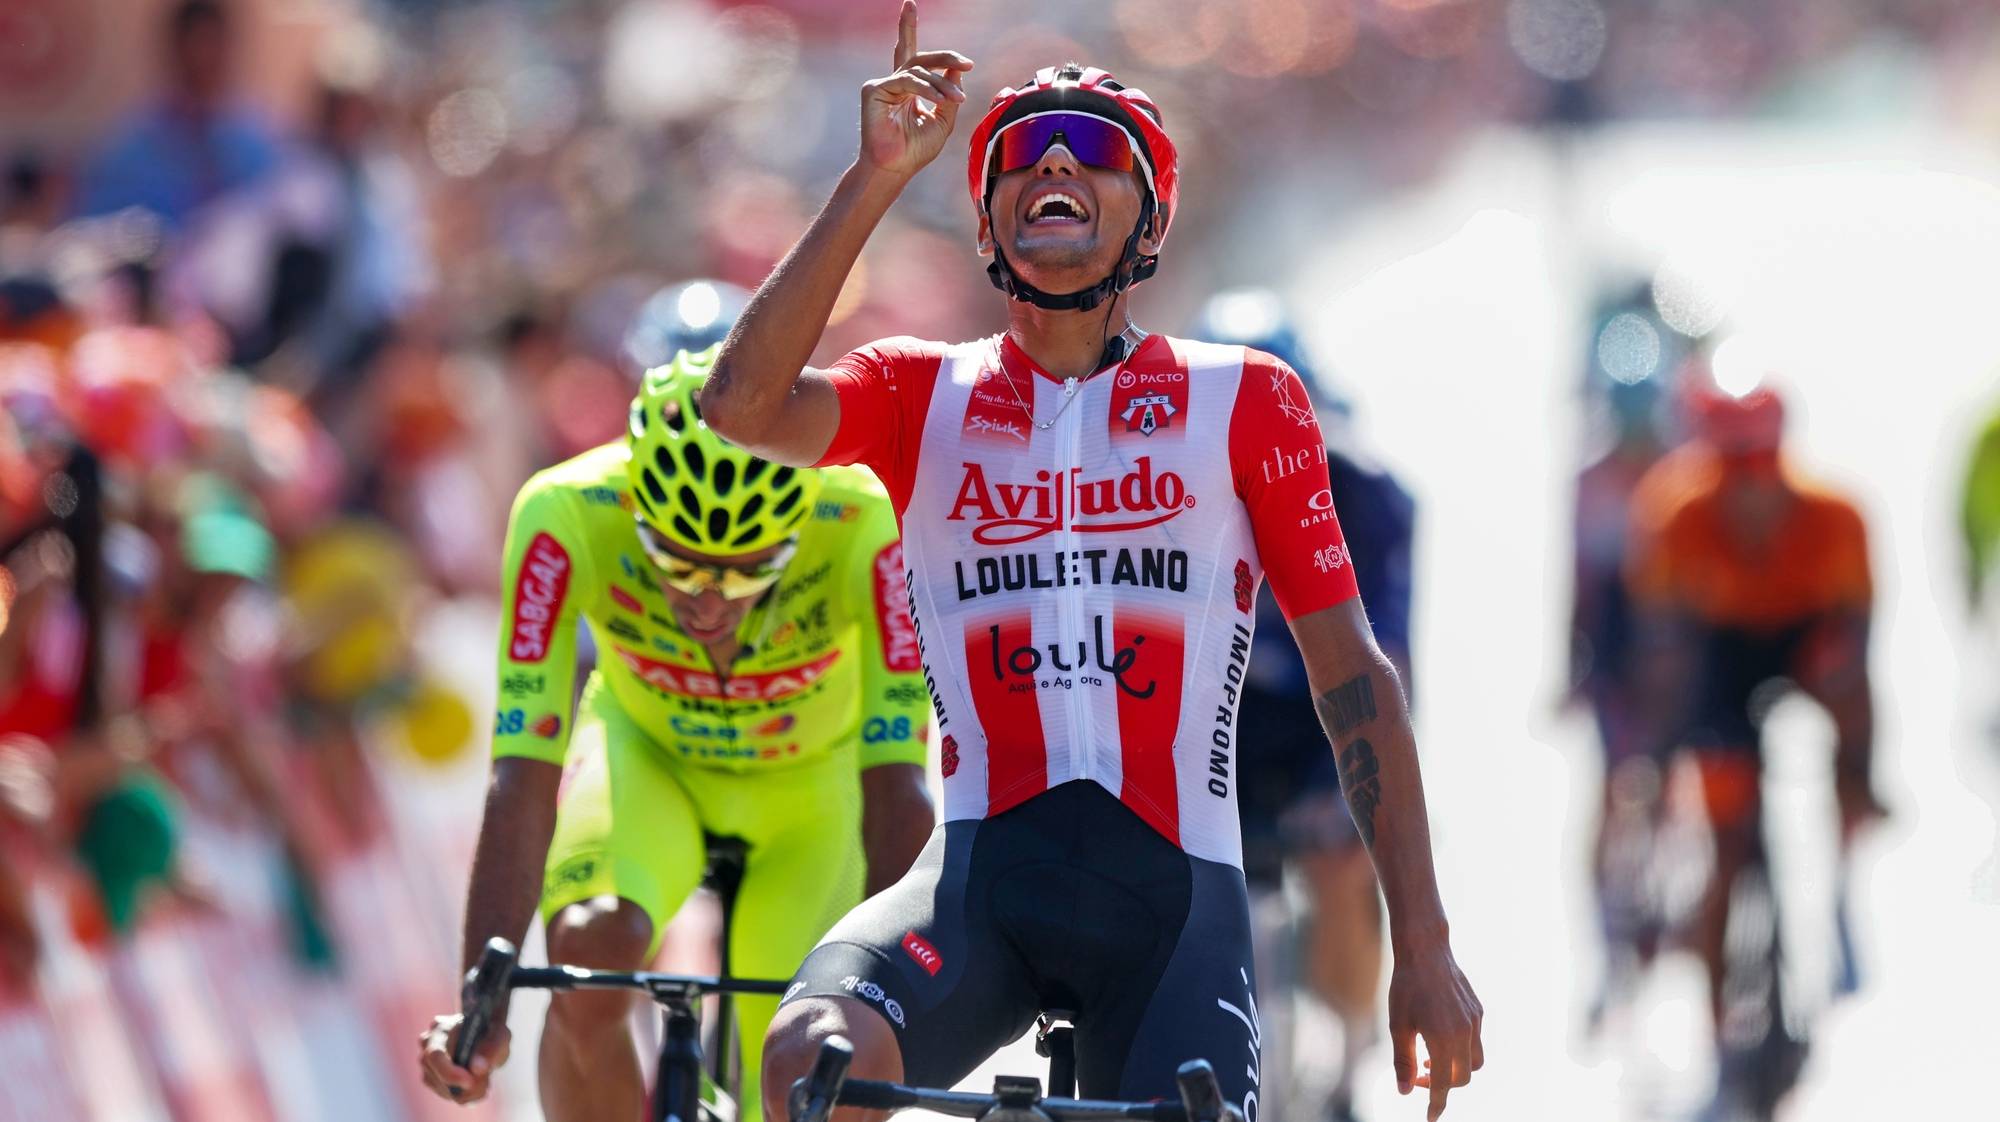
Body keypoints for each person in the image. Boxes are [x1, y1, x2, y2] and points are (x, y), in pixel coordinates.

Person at [694, 7, 1484, 1119]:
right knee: (809, 1059)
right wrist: (874, 177)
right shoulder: (917, 392)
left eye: (1095, 149)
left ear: (1147, 219)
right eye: (1018, 152)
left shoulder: (1244, 400)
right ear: (987, 220)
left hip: (1172, 908)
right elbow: (737, 408)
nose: (1053, 160)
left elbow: (1352, 681)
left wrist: (1424, 949)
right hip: (974, 891)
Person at [415, 345, 935, 1121]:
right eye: (677, 565)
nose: (707, 605)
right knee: (591, 948)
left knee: (813, 1051)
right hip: (646, 760)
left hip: (811, 794)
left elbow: (896, 781)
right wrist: (480, 1005)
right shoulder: (564, 513)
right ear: (637, 509)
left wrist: (892, 1000)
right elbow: (522, 770)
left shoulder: (870, 518)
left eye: (746, 573)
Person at [1624, 368, 1888, 1115]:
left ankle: (1845, 846)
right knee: (1725, 840)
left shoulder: (1837, 517)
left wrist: (1860, 763)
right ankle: (1716, 1026)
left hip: (1804, 640)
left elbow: (1859, 638)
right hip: (1717, 655)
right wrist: (1665, 753)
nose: (1749, 488)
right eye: (1732, 466)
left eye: (1761, 464)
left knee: (1849, 695)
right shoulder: (1673, 513)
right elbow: (1664, 656)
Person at [1196, 289, 1417, 1122]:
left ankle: (1350, 1042)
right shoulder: (1169, 480)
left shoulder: (1370, 493)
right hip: (1215, 720)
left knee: (1343, 859)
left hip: (1324, 720)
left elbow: (1388, 661)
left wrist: (1353, 799)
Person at [1565, 367, 1673, 1029]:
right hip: (1616, 648)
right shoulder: (1592, 479)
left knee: (1668, 784)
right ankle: (1607, 930)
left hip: (1667, 646)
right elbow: (1579, 583)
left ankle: (1657, 894)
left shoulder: (1678, 469)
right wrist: (1575, 668)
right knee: (1609, 790)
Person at [74, 1, 281, 230]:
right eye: (192, 46)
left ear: (228, 50)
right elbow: (93, 231)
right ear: (171, 51)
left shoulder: (259, 146)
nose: (201, 59)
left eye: (212, 46)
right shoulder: (130, 150)